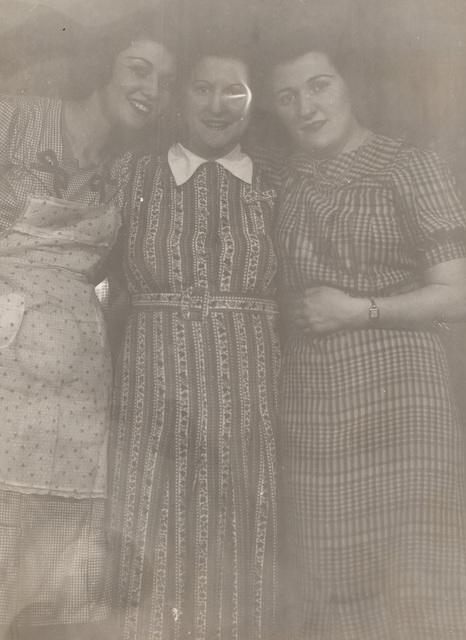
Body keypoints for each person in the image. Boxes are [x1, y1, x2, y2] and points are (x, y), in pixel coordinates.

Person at [268, 31, 466, 640]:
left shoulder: (407, 165)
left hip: (402, 398)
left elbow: (460, 293)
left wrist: (359, 311)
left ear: (348, 85)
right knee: (327, 578)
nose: (306, 107)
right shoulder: (283, 181)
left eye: (319, 85)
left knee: (416, 573)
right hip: (311, 403)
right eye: (286, 96)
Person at [0, 11, 176, 640]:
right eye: (139, 69)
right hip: (5, 360)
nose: (150, 88)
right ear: (106, 67)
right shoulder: (15, 117)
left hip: (75, 390)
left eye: (164, 80)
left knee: (53, 561)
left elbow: (123, 280)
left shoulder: (126, 173)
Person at [108, 41, 280, 640]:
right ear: (179, 97)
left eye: (233, 89)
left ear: (254, 101)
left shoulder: (280, 188)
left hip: (246, 399)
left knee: (237, 550)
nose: (216, 104)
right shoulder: (131, 173)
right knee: (144, 543)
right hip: (148, 392)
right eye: (201, 88)